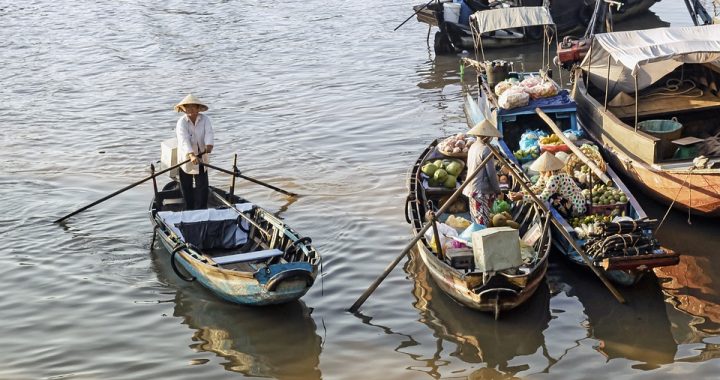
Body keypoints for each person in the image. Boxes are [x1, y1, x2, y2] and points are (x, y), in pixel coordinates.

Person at [509, 151, 587, 216]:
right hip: (568, 200)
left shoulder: (554, 178)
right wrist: (520, 193)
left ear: (548, 170)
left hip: (576, 207)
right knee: (541, 192)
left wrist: (522, 197)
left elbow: (543, 198)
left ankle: (567, 216)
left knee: (548, 198)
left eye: (542, 170)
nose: (540, 172)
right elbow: (537, 187)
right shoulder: (546, 175)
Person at [174, 94, 214, 210]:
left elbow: (209, 133)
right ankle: (189, 208)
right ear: (184, 109)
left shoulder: (205, 119)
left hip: (202, 155)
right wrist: (191, 154)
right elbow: (183, 139)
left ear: (198, 108)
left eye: (193, 107)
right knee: (186, 186)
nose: (190, 110)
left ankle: (202, 209)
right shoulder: (181, 122)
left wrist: (209, 145)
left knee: (202, 185)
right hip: (186, 157)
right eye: (188, 107)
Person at [462, 119, 502, 226]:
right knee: (482, 222)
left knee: (475, 218)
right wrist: (497, 190)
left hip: (471, 188)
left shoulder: (473, 146)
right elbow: (491, 174)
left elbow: (468, 166)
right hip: (480, 191)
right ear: (486, 137)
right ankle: (481, 240)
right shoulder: (486, 150)